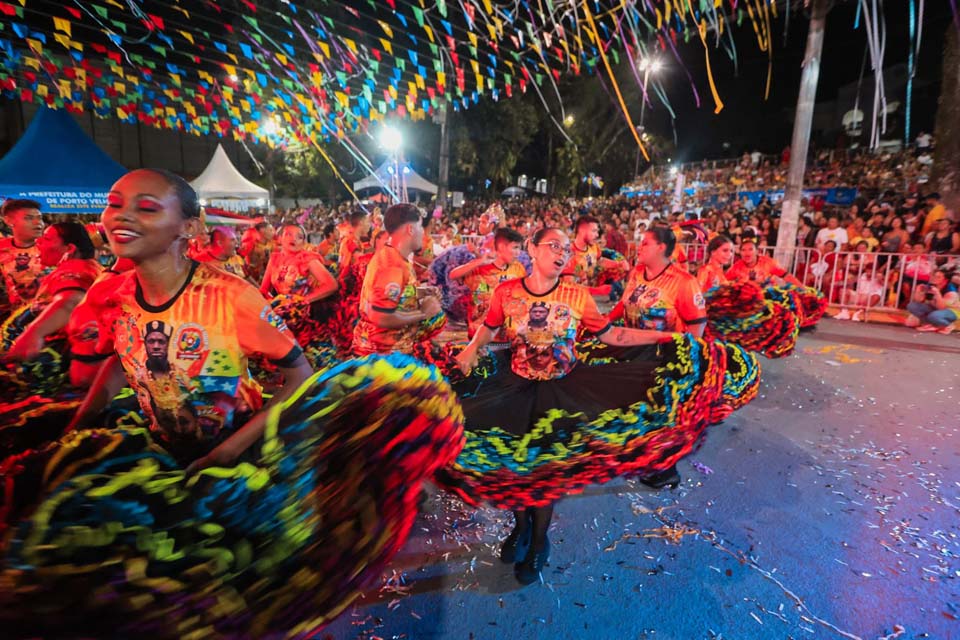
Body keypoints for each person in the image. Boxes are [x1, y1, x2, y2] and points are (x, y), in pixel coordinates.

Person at [0, 169, 465, 638]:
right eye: (115, 203)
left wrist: (228, 450)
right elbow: (121, 358)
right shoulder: (114, 294)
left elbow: (299, 376)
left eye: (145, 207)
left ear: (188, 227)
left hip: (238, 463)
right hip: (160, 458)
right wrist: (80, 426)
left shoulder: (231, 297)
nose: (121, 216)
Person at [439, 227, 746, 586]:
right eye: (554, 246)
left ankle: (539, 543)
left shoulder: (576, 294)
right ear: (532, 250)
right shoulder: (506, 292)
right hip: (515, 387)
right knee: (514, 465)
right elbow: (489, 328)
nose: (562, 253)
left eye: (566, 248)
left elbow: (614, 335)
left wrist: (668, 336)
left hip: (560, 393)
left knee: (543, 472)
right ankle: (519, 528)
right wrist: (471, 348)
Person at [352, 203, 444, 356]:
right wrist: (423, 313)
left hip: (392, 352)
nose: (423, 232)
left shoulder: (395, 257)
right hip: (383, 358)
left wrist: (420, 292)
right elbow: (380, 317)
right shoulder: (392, 265)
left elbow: (396, 294)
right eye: (420, 226)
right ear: (410, 229)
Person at [259, 223, 339, 339]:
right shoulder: (275, 258)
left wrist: (301, 301)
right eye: (288, 234)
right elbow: (264, 290)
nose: (294, 239)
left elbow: (331, 285)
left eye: (299, 237)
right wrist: (274, 305)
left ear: (304, 243)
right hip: (284, 317)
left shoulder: (308, 259)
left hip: (309, 317)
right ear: (280, 238)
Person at [448, 227, 526, 338]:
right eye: (515, 248)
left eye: (519, 248)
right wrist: (479, 261)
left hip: (507, 336)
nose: (518, 253)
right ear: (502, 247)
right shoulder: (480, 268)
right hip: (479, 335)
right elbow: (453, 275)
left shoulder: (518, 268)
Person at [0, 198, 46, 318]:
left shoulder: (53, 247)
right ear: (9, 221)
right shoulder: (2, 249)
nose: (38, 223)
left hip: (52, 319)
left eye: (40, 218)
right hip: (13, 321)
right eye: (29, 218)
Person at [563, 215, 629, 297]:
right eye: (593, 231)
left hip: (586, 297)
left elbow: (600, 261)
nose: (597, 235)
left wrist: (619, 264)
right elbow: (569, 287)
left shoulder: (593, 247)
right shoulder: (568, 253)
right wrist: (597, 291)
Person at [906, 267, 959, 334]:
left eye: (938, 277)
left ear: (945, 280)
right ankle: (930, 324)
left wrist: (937, 293)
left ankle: (948, 325)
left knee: (934, 315)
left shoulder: (951, 291)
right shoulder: (931, 285)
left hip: (951, 311)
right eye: (934, 276)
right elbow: (919, 301)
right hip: (936, 309)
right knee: (912, 306)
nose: (934, 278)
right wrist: (918, 291)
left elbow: (942, 307)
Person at [337, 209, 371, 276]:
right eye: (367, 222)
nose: (369, 225)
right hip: (348, 282)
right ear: (361, 222)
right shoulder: (349, 240)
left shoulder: (356, 239)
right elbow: (361, 257)